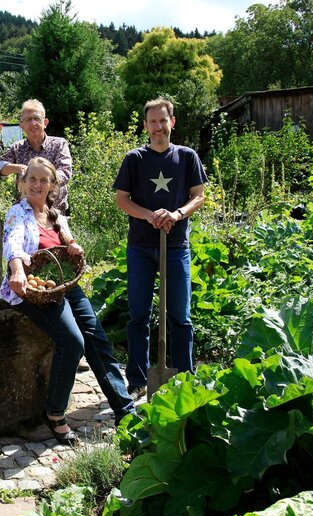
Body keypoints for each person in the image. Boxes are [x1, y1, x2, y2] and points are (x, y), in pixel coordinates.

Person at [0, 157, 135, 445]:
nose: (37, 185)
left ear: (52, 186)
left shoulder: (56, 216)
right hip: (32, 290)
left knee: (97, 339)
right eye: (31, 179)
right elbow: (12, 242)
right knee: (73, 342)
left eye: (43, 180)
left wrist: (74, 246)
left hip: (64, 286)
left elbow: (70, 243)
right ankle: (55, 413)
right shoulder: (17, 213)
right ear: (23, 183)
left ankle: (125, 411)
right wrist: (17, 270)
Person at [113, 98, 207, 400]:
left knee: (180, 316)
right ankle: (138, 380)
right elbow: (122, 199)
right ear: (145, 125)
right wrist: (150, 216)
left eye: (162, 121)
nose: (158, 127)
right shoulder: (134, 159)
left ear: (172, 122)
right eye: (152, 122)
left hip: (176, 246)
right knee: (139, 315)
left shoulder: (187, 157)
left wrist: (177, 214)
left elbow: (198, 195)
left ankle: (184, 378)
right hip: (140, 247)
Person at [0, 99, 73, 213]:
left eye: (37, 119)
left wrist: (43, 180)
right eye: (28, 120)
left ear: (45, 123)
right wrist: (19, 168)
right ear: (21, 125)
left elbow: (65, 172)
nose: (33, 124)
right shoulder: (17, 148)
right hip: (25, 212)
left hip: (55, 211)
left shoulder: (59, 144)